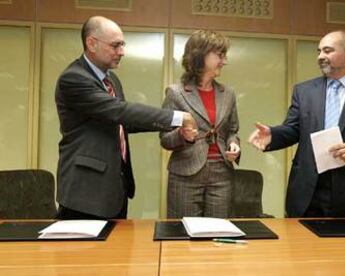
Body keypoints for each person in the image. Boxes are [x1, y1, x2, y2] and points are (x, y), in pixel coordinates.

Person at [55, 16, 197, 219]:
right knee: (82, 251)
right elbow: (119, 111)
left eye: (122, 45)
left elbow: (123, 121)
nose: (122, 52)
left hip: (114, 188)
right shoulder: (74, 78)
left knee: (114, 250)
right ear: (91, 43)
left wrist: (172, 128)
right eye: (115, 45)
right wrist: (178, 117)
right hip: (85, 192)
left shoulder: (111, 79)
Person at [248, 30, 345, 218]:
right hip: (307, 191)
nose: (320, 57)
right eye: (319, 51)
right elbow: (293, 129)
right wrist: (273, 135)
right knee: (300, 246)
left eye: (327, 51)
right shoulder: (304, 91)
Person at [160, 30, 241, 218]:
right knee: (182, 234)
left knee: (218, 235)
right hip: (185, 175)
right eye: (220, 55)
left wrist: (234, 144)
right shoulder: (175, 93)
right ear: (200, 55)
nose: (225, 61)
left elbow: (233, 130)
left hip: (222, 174)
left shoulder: (228, 94)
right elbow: (164, 139)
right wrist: (181, 135)